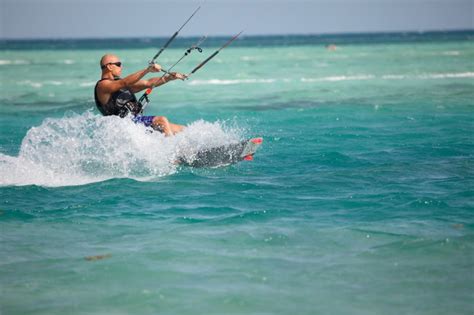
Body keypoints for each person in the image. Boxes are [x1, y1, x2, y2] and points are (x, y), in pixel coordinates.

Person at [94, 54, 186, 136]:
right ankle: (170, 152)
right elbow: (124, 82)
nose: (121, 67)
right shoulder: (102, 86)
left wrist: (169, 78)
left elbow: (148, 83)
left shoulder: (121, 84)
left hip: (137, 122)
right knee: (162, 120)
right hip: (123, 127)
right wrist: (147, 70)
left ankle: (193, 152)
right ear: (109, 66)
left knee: (181, 129)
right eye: (118, 64)